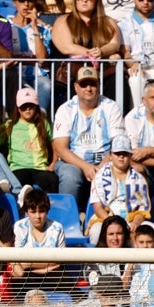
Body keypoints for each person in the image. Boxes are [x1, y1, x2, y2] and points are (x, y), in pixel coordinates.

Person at [51, 65, 126, 208]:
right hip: (73, 162)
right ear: (76, 87)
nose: (88, 88)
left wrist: (101, 166)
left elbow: (118, 144)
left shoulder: (111, 107)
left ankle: (111, 215)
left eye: (92, 84)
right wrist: (86, 167)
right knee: (69, 176)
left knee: (118, 169)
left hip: (105, 160)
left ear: (99, 85)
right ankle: (68, 217)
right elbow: (60, 148)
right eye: (83, 84)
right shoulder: (66, 109)